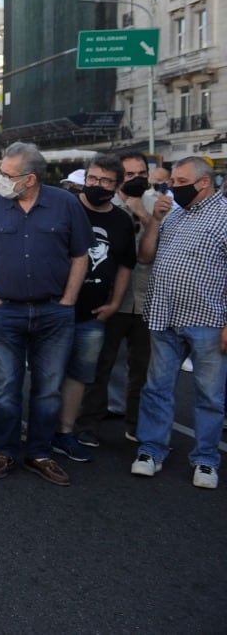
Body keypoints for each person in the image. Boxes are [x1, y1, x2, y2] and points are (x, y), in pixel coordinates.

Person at [0, 142, 92, 486]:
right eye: (1, 173)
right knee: (5, 386)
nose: (0, 180)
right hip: (4, 312)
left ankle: (40, 453)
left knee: (48, 388)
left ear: (31, 179)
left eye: (8, 176)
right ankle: (6, 450)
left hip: (54, 313)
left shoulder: (66, 204)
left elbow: (80, 255)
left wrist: (68, 299)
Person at [131, 156, 227, 489]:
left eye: (181, 182)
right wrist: (155, 221)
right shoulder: (173, 215)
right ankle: (151, 450)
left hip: (209, 320)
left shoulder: (225, 215)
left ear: (204, 183)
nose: (174, 188)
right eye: (173, 181)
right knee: (157, 387)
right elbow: (146, 257)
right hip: (165, 315)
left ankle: (206, 460)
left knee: (210, 396)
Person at [53, 156, 135, 463]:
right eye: (93, 179)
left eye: (105, 181)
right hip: (56, 308)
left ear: (116, 185)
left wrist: (115, 303)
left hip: (93, 314)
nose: (97, 186)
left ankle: (65, 431)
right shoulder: (66, 206)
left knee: (80, 375)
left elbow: (127, 264)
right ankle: (38, 428)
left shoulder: (121, 220)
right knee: (48, 372)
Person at [77, 152, 157, 445]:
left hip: (148, 299)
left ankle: (136, 426)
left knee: (143, 369)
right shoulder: (104, 207)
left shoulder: (159, 206)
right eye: (130, 174)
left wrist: (147, 216)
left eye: (142, 174)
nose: (137, 179)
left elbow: (150, 255)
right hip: (113, 300)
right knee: (100, 365)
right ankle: (87, 424)